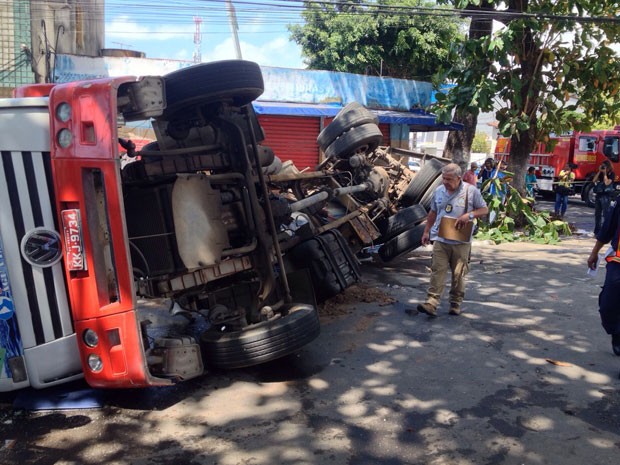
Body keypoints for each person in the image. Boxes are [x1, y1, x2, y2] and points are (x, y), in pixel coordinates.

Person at [417, 163, 489, 317]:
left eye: (449, 179)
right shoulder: (439, 191)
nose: (445, 182)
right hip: (441, 240)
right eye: (443, 178)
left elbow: (484, 209)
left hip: (461, 242)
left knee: (459, 274)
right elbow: (433, 212)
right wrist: (426, 231)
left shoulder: (471, 191)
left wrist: (468, 216)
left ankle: (455, 303)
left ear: (459, 178)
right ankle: (432, 302)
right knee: (437, 271)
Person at [587, 199, 620, 356]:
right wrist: (594, 252)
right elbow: (607, 229)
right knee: (607, 306)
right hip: (618, 262)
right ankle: (617, 332)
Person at [592, 160, 616, 235]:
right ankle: (597, 231)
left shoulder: (612, 173)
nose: (603, 167)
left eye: (604, 166)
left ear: (608, 166)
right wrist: (599, 172)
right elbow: (594, 180)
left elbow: (606, 183)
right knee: (597, 214)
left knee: (605, 214)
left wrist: (605, 173)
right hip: (599, 195)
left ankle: (606, 230)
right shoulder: (601, 173)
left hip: (606, 196)